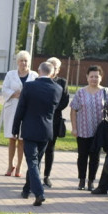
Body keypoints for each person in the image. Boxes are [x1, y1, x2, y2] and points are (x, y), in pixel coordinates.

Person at [12, 61, 62, 206]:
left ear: (39, 70)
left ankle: (39, 193)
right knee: (36, 162)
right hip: (46, 130)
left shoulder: (29, 86)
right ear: (52, 73)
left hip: (30, 129)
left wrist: (15, 129)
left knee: (33, 162)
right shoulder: (57, 88)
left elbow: (20, 109)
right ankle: (26, 189)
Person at [69, 65, 108, 190]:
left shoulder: (106, 92)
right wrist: (74, 127)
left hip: (98, 131)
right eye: (92, 76)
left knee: (95, 157)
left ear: (101, 77)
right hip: (83, 130)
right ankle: (82, 180)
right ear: (87, 77)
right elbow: (73, 110)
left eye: (97, 76)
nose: (94, 79)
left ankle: (91, 181)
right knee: (82, 156)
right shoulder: (80, 92)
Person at [0, 51, 31, 179]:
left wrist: (25, 96)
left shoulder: (34, 75)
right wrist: (14, 93)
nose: (23, 63)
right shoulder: (10, 75)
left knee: (22, 139)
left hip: (27, 112)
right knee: (12, 138)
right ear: (17, 62)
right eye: (21, 60)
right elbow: (4, 89)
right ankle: (9, 165)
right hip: (12, 109)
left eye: (26, 61)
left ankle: (18, 166)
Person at [41, 56, 70, 188]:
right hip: (40, 118)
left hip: (55, 119)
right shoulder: (40, 81)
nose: (53, 68)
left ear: (58, 70)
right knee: (38, 148)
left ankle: (47, 176)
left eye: (56, 67)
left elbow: (64, 100)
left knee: (50, 149)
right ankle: (34, 174)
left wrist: (52, 108)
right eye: (50, 65)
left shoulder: (62, 82)